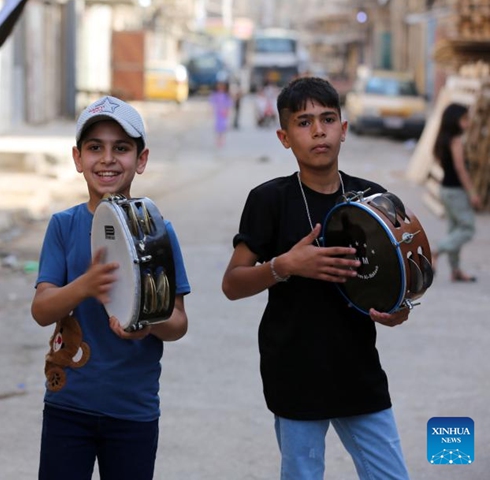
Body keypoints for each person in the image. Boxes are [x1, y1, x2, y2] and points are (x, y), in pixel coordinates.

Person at [221, 77, 411, 480]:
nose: (319, 130)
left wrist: (398, 310)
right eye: (304, 122)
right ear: (284, 137)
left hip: (359, 371)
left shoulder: (373, 199)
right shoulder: (269, 200)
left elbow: (400, 281)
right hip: (294, 372)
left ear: (344, 128)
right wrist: (285, 266)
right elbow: (232, 283)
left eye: (328, 119)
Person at [30, 96, 191, 480]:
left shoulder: (159, 230)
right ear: (77, 158)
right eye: (94, 148)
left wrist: (149, 324)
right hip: (68, 405)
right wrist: (85, 286)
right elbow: (41, 310)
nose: (107, 159)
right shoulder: (63, 226)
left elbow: (179, 322)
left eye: (121, 148)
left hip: (133, 410)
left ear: (142, 159)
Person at [433, 103, 480, 282]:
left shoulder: (443, 139)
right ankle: (436, 251)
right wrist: (473, 193)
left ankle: (455, 270)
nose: (467, 123)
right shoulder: (456, 140)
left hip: (445, 189)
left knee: (454, 229)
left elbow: (439, 161)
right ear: (455, 121)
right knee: (467, 229)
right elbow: (460, 169)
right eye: (464, 119)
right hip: (456, 191)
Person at [209, 80, 232, 149]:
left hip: (223, 113)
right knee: (218, 127)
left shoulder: (226, 95)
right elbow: (212, 102)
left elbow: (228, 104)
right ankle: (218, 139)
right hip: (218, 113)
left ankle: (222, 139)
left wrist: (227, 111)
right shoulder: (215, 95)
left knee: (223, 127)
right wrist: (211, 111)